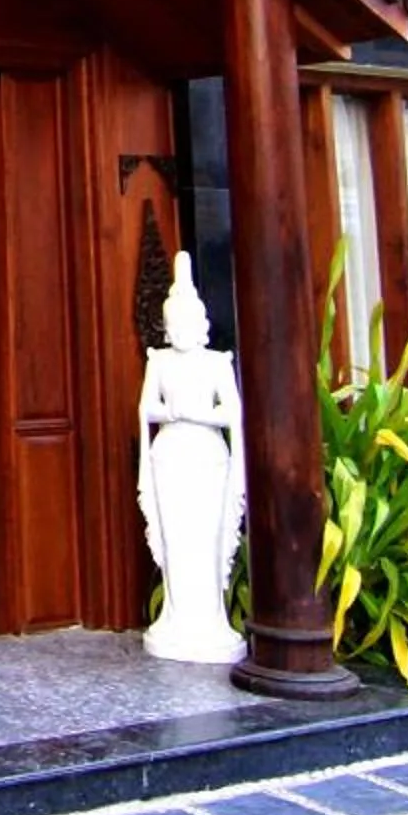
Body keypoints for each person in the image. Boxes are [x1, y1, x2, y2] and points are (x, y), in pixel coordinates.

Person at [138, 250, 246, 665]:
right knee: (176, 537)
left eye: (188, 323)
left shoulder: (218, 363)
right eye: (173, 324)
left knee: (207, 536)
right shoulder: (159, 363)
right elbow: (148, 408)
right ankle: (177, 616)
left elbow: (231, 413)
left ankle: (208, 619)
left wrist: (194, 414)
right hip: (171, 454)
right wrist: (173, 413)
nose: (180, 330)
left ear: (201, 325)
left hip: (207, 456)